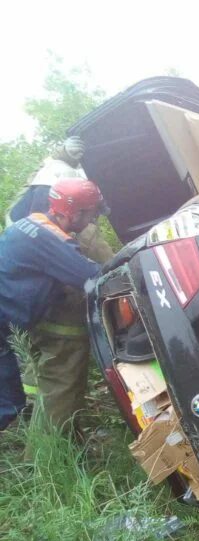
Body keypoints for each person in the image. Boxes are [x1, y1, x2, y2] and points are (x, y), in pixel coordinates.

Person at [5, 139, 113, 433]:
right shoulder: (53, 241)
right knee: (12, 402)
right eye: (91, 214)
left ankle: (32, 438)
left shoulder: (31, 222)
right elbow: (94, 277)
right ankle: (47, 458)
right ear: (72, 213)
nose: (94, 220)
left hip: (15, 321)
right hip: (7, 323)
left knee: (21, 393)